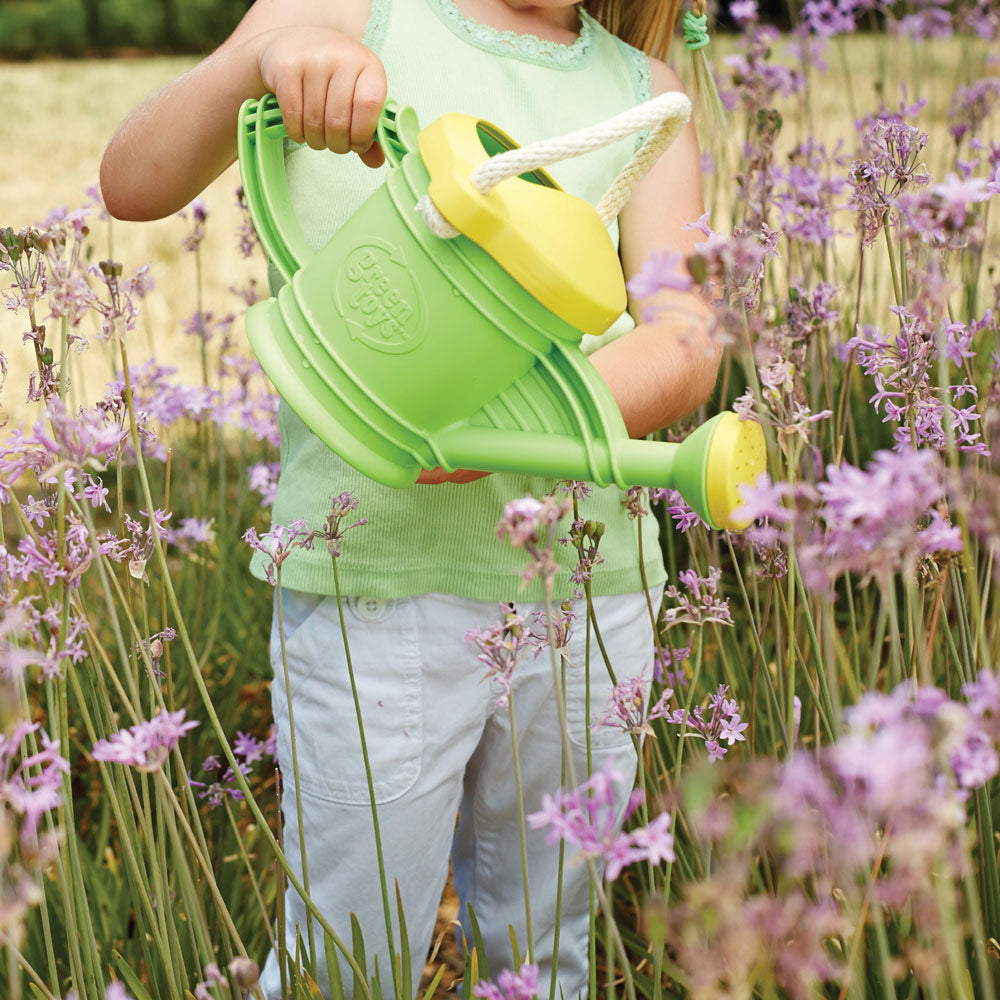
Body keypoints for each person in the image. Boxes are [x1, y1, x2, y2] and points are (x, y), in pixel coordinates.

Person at [100, 1, 720, 996]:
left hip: (587, 594)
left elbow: (688, 330)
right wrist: (259, 62)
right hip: (376, 584)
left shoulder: (644, 98)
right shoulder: (344, 11)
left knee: (541, 952)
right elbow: (132, 183)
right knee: (348, 956)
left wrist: (529, 423)